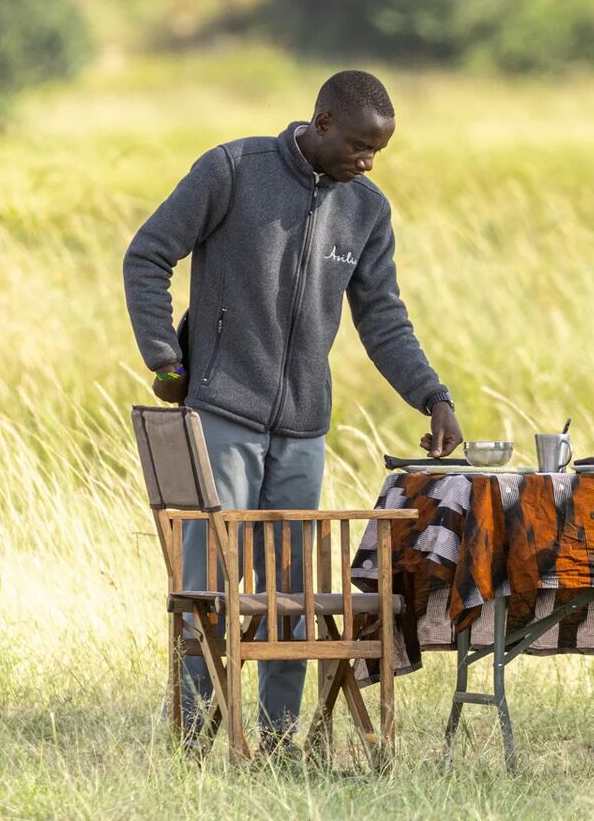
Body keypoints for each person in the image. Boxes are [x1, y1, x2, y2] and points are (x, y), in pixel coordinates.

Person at [123, 69, 462, 744]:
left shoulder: (365, 210)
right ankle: (192, 737)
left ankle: (276, 743)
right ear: (324, 121)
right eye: (360, 146)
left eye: (380, 153)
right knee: (210, 589)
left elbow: (384, 320)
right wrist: (165, 357)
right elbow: (148, 255)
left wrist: (433, 396)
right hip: (221, 412)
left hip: (303, 431)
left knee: (293, 596)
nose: (368, 163)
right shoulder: (232, 170)